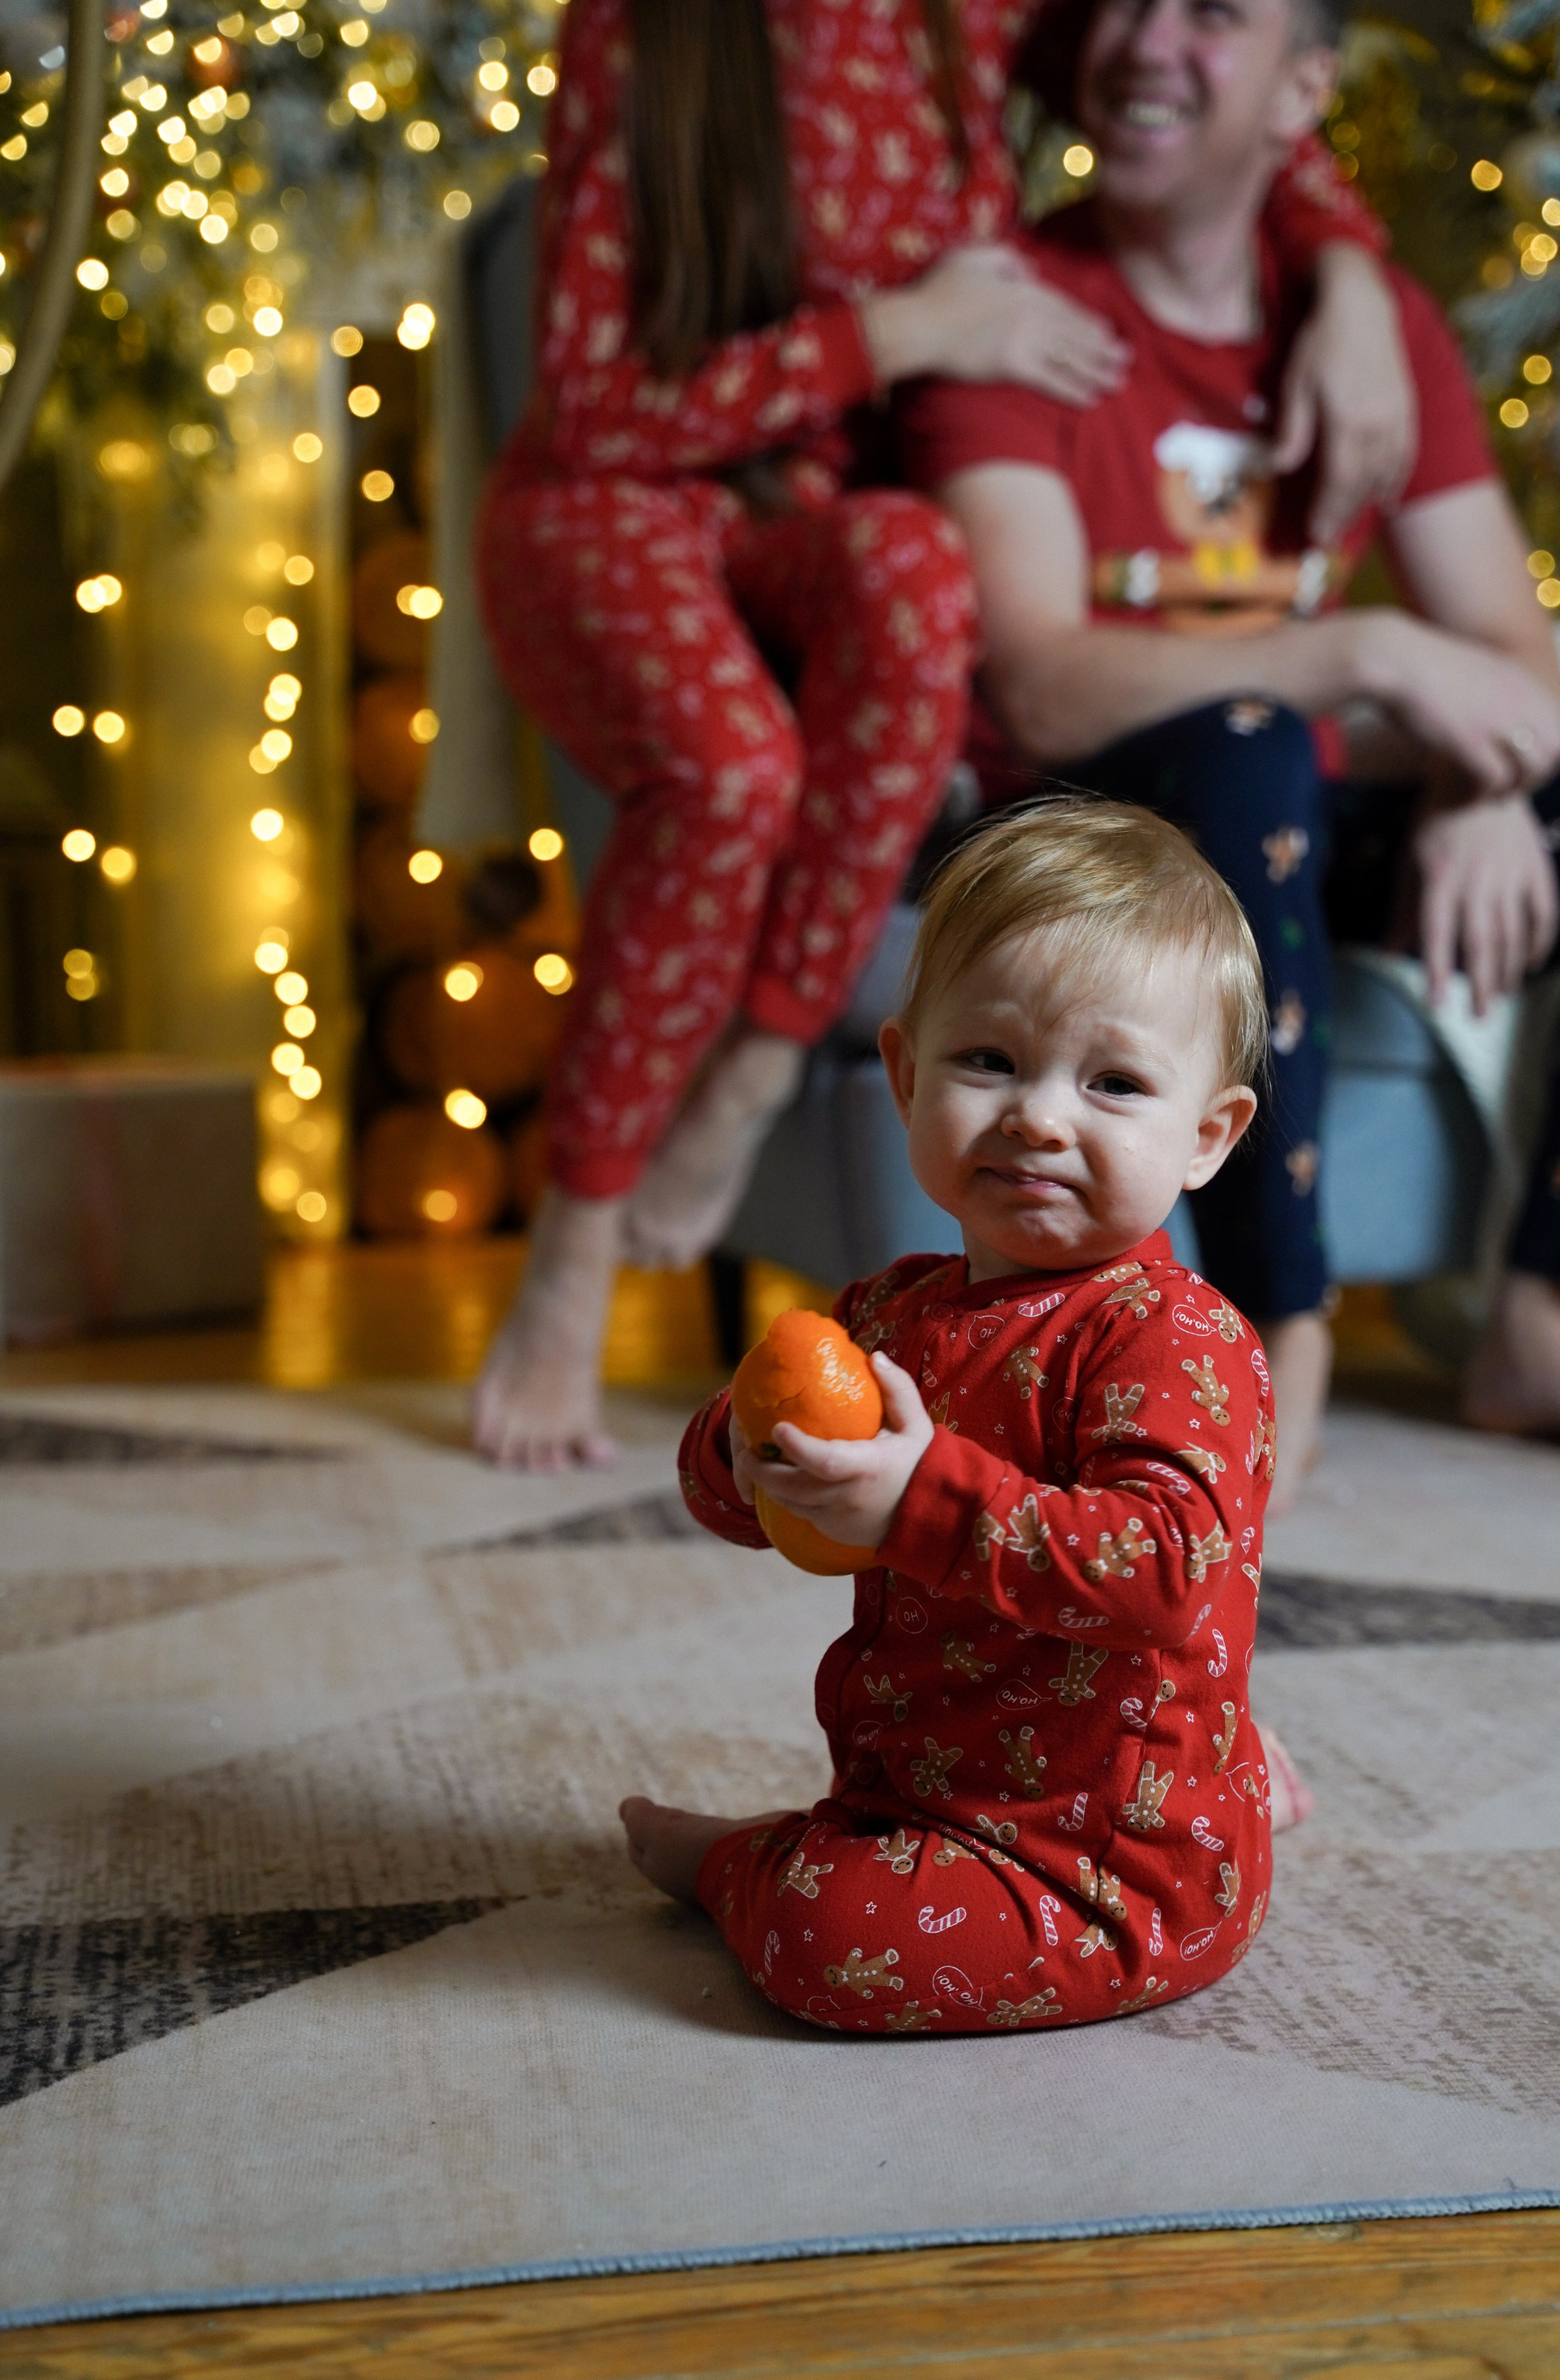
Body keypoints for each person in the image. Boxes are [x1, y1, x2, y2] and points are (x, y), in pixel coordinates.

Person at [470, 0, 1417, 1473]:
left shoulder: (974, 15)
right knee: (731, 773)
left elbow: (1180, 86)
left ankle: (765, 1058)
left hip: (817, 516)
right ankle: (576, 1244)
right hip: (612, 498)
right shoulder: (644, 28)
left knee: (919, 569)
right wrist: (899, 334)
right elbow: (592, 404)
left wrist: (1346, 266)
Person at [899, 0, 1560, 1493]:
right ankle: (1275, 1333)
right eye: (1121, 2)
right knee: (1251, 756)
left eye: (1209, 15)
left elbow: (1511, 668)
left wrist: (1471, 782)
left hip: (1300, 807)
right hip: (1078, 843)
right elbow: (1043, 689)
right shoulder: (1016, 315)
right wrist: (1366, 654)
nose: (1143, 42)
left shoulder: (1363, 334)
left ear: (1300, 88)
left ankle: (1545, 1319)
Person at [622, 802, 1313, 2035]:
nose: (1041, 1116)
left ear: (1207, 1138)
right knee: (864, 1871)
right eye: (988, 1062)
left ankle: (745, 1868)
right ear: (905, 1075)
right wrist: (745, 1450)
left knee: (826, 1941)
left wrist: (919, 1501)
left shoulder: (1177, 1338)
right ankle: (833, 1839)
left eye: (1114, 1083)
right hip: (921, 1789)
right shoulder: (886, 1314)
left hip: (1104, 1864)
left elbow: (1163, 1574)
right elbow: (732, 1501)